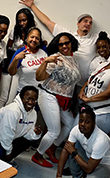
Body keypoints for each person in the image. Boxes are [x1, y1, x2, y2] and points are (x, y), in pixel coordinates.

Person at [19, 0, 110, 88]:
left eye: (90, 23)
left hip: (83, 84)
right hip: (64, 82)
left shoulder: (96, 39)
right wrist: (32, 6)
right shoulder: (67, 36)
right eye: (85, 21)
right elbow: (47, 22)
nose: (88, 24)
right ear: (78, 23)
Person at [32, 32, 81, 167]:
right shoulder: (56, 59)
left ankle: (51, 148)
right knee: (54, 130)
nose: (64, 46)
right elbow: (39, 77)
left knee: (70, 124)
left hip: (63, 100)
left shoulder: (74, 60)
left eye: (66, 43)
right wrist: (45, 61)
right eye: (60, 44)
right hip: (48, 95)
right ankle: (38, 155)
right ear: (57, 46)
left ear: (72, 43)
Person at [0, 85, 42, 163]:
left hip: (3, 135)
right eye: (28, 99)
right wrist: (8, 153)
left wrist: (36, 134)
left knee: (27, 141)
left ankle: (4, 160)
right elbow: (6, 134)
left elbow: (27, 133)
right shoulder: (12, 111)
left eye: (34, 100)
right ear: (21, 98)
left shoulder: (33, 113)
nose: (30, 102)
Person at [55, 104, 110, 178]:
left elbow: (89, 169)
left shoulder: (101, 140)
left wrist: (74, 152)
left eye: (87, 122)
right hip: (91, 158)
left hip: (108, 165)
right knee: (71, 151)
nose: (82, 124)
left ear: (93, 123)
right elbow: (66, 150)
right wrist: (58, 176)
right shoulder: (76, 130)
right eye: (81, 121)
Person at [78, 42, 110, 134]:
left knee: (88, 143)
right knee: (77, 138)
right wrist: (82, 90)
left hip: (103, 113)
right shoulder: (103, 65)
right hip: (89, 110)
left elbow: (109, 92)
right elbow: (90, 79)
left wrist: (89, 99)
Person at [0, 8, 36, 109]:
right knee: (3, 97)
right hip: (11, 63)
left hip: (22, 67)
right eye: (19, 21)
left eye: (24, 20)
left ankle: (6, 119)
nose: (22, 23)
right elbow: (9, 48)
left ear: (29, 19)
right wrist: (17, 51)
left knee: (11, 98)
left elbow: (36, 48)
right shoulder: (15, 30)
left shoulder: (33, 33)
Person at [8, 27, 47, 92]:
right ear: (27, 38)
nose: (34, 40)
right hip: (24, 92)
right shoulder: (20, 51)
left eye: (37, 38)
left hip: (40, 92)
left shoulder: (43, 53)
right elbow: (11, 72)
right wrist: (16, 59)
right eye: (32, 37)